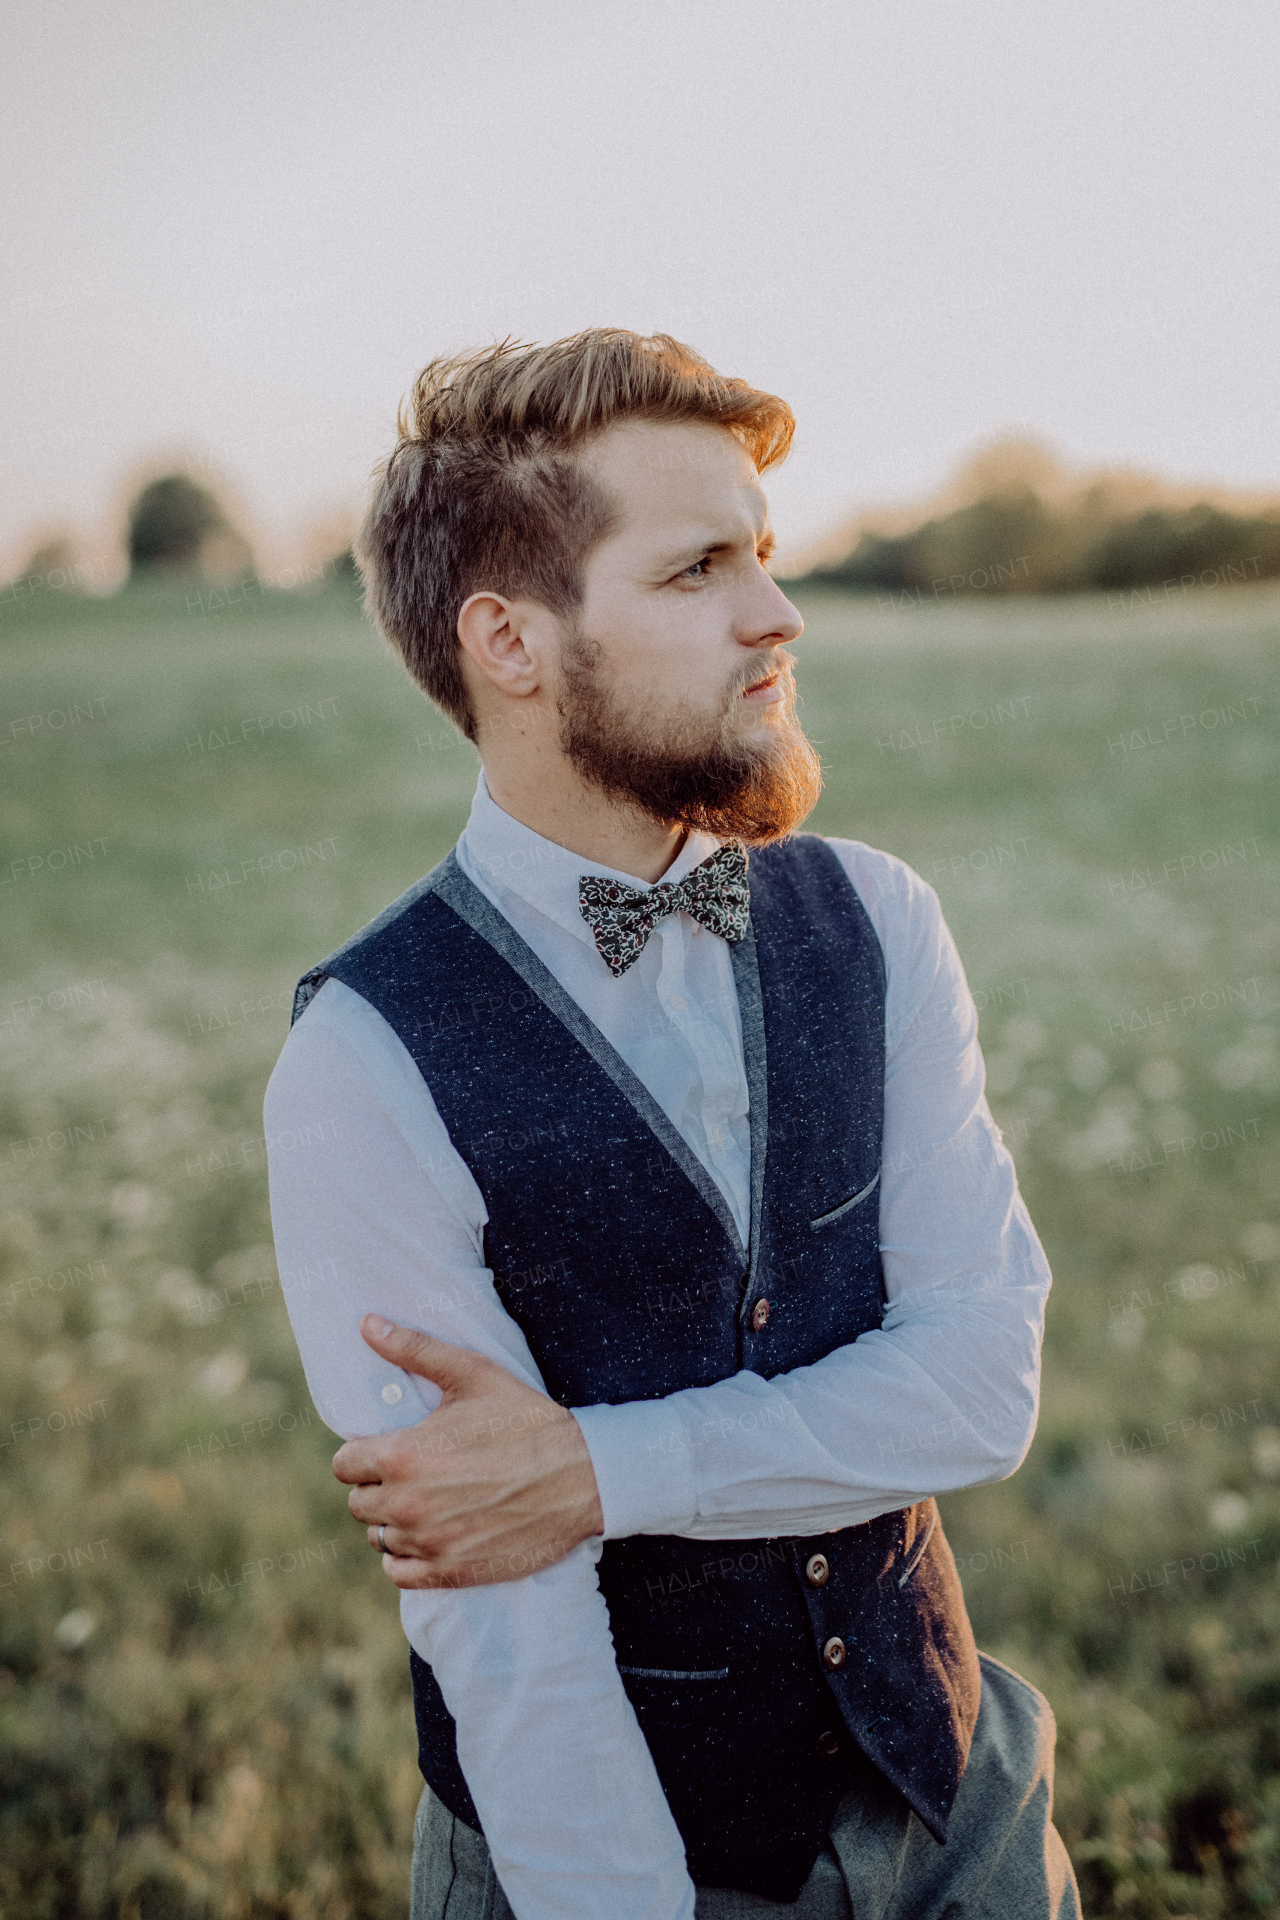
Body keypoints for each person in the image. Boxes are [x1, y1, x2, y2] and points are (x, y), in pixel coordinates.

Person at [264, 329, 1080, 1920]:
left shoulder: (879, 919)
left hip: (962, 1805)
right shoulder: (363, 1059)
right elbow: (510, 1629)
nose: (777, 615)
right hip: (623, 1865)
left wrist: (596, 1465)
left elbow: (981, 1385)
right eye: (699, 567)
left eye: (763, 557)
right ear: (509, 640)